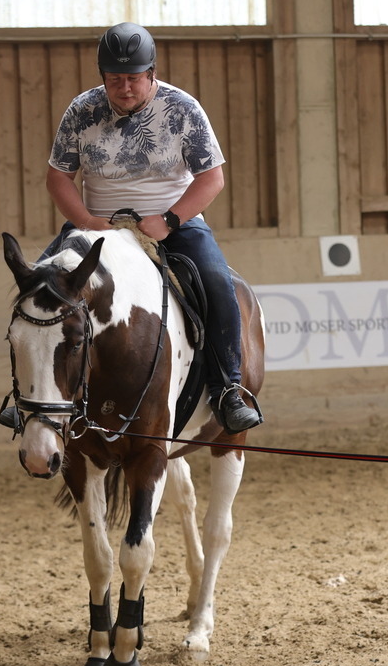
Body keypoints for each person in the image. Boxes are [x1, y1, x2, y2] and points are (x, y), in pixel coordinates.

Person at [44, 22, 262, 434]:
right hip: (98, 228)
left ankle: (228, 389)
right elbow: (59, 178)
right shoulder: (81, 111)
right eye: (114, 79)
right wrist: (88, 222)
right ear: (103, 77)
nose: (124, 87)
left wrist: (170, 220)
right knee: (39, 290)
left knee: (216, 282)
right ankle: (33, 401)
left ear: (151, 74)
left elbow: (211, 177)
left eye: (133, 79)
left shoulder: (183, 109)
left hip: (173, 224)